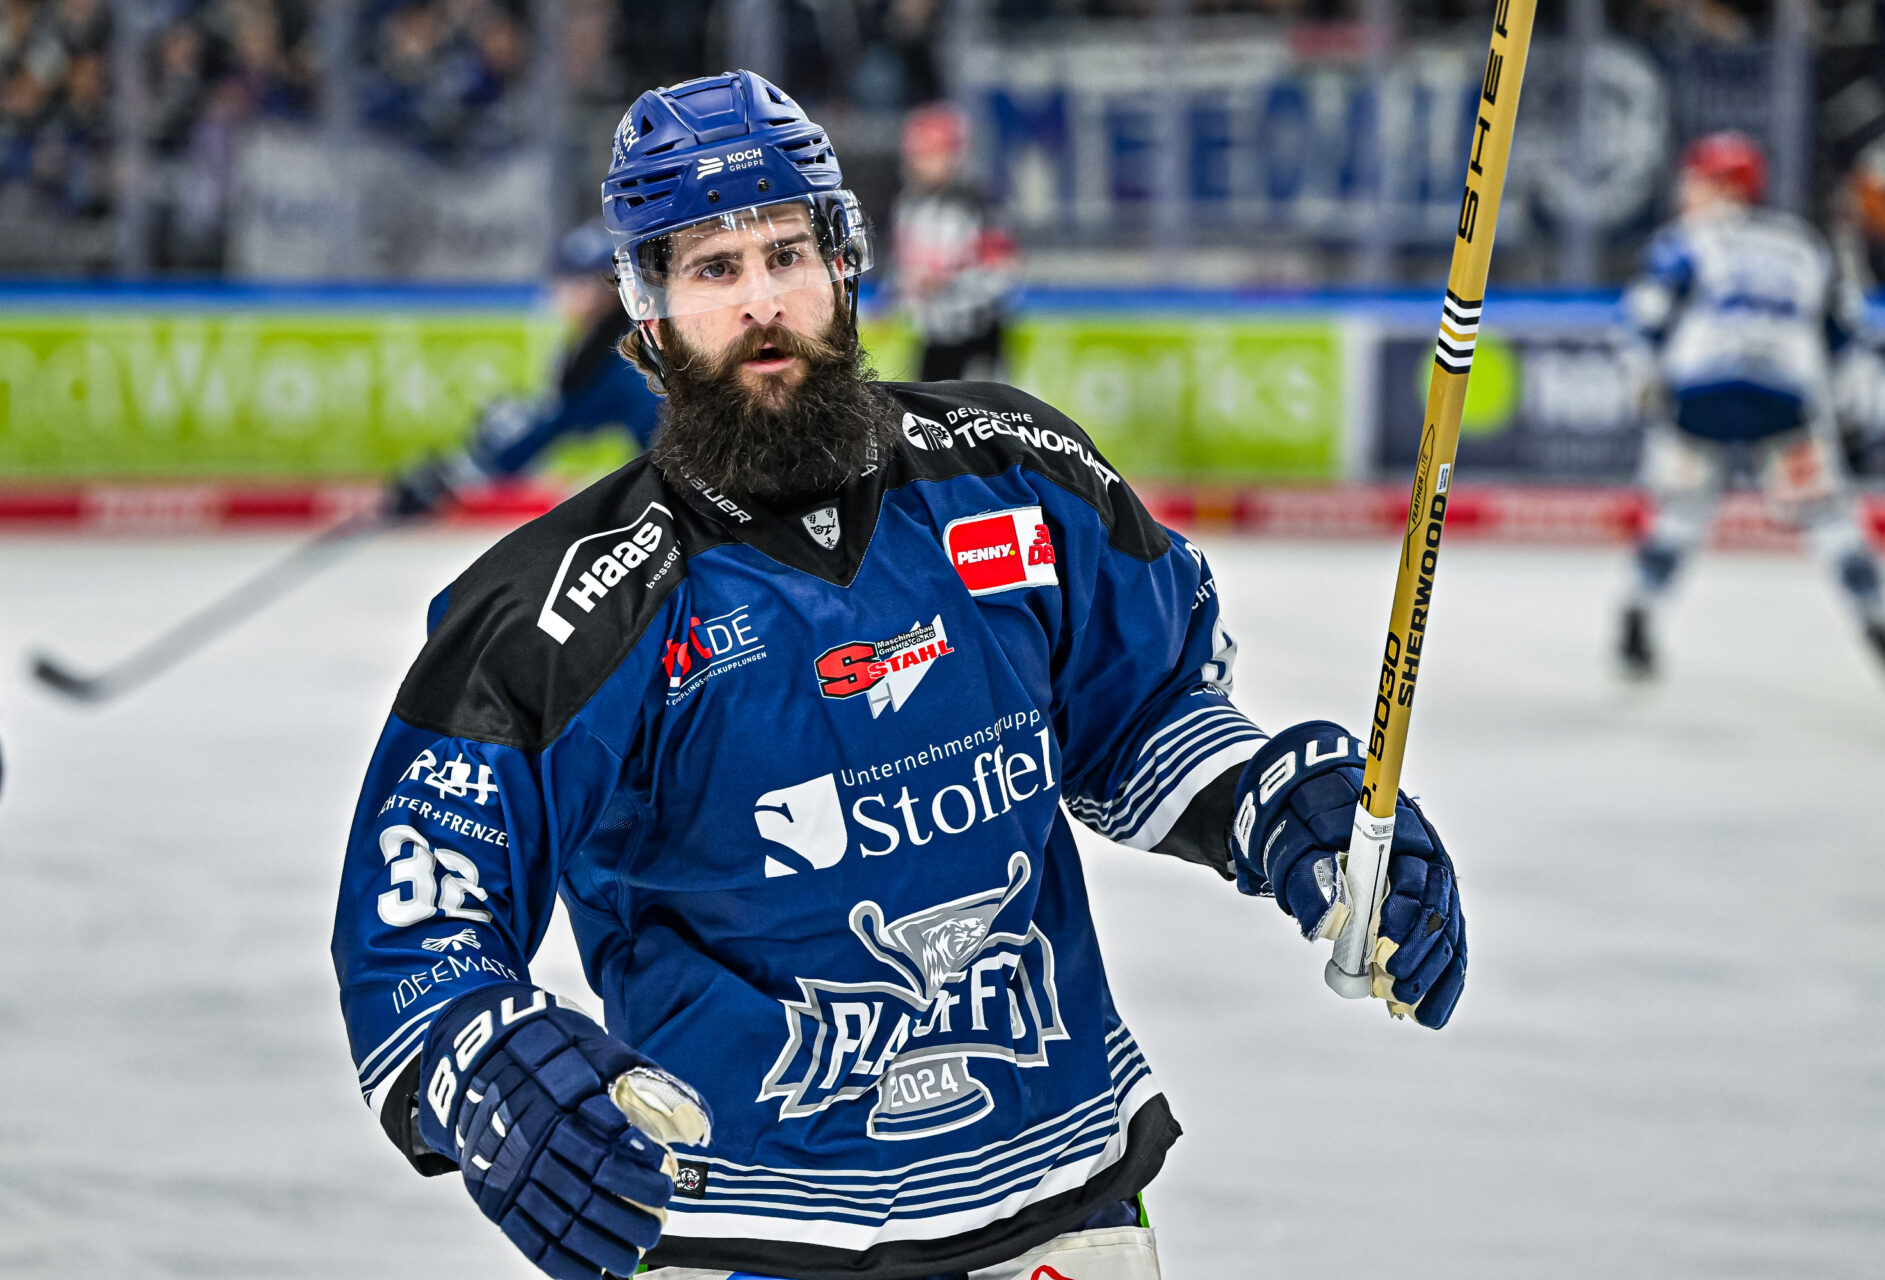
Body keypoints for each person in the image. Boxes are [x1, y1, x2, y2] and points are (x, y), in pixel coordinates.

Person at [331, 69, 1466, 1280]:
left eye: (786, 253)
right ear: (648, 313)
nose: (762, 301)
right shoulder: (566, 604)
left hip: (1054, 1191)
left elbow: (1143, 714)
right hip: (748, 1222)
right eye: (713, 269)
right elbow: (424, 913)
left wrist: (1279, 805)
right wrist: (483, 1056)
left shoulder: (1017, 474)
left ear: (845, 264)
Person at [1618, 130, 1885, 687]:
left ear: (1722, 186)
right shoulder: (1803, 244)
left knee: (1681, 513)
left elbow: (1644, 319)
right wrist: (1851, 420)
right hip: (1784, 396)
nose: (1686, 190)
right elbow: (1847, 339)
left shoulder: (1688, 239)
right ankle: (1881, 626)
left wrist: (1643, 388)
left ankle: (1637, 609)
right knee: (1830, 518)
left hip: (1702, 392)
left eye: (1697, 180)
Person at [386, 221, 661, 517]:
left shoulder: (618, 353)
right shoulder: (609, 339)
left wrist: (458, 474)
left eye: (579, 281)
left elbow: (552, 421)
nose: (563, 291)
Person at [890, 101, 1016, 383]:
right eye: (917, 154)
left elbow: (1002, 272)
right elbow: (903, 267)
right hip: (934, 336)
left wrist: (946, 282)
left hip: (977, 336)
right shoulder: (908, 205)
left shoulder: (979, 204)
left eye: (929, 154)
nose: (919, 163)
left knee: (982, 405)